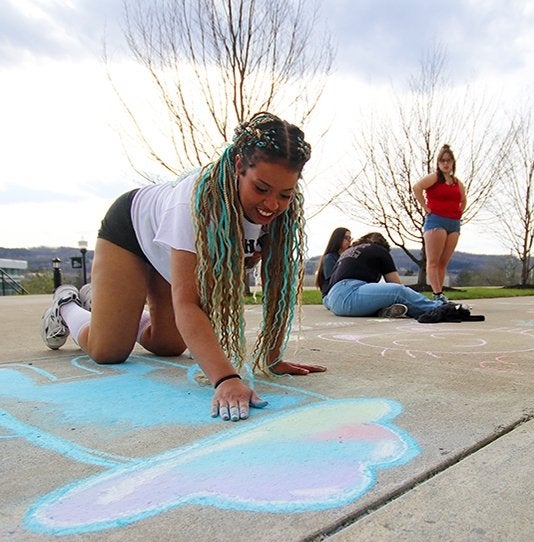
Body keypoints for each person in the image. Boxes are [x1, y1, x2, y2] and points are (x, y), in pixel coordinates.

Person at [40, 112, 326, 422]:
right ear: (239, 166)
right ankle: (66, 304)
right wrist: (226, 379)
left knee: (168, 345)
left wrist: (272, 357)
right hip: (131, 234)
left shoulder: (282, 215)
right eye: (261, 189)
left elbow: (277, 284)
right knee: (108, 351)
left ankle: (111, 303)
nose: (272, 204)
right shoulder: (195, 203)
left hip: (169, 254)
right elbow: (187, 302)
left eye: (285, 194)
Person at [323, 232, 465, 319]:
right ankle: (441, 307)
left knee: (381, 295)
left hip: (333, 299)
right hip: (349, 294)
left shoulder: (349, 252)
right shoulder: (378, 250)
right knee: (398, 292)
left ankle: (383, 310)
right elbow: (397, 286)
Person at [413, 144, 466, 302]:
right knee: (433, 261)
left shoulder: (457, 182)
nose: (445, 164)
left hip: (454, 223)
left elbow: (463, 200)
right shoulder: (435, 178)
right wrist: (425, 207)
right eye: (442, 161)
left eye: (448, 161)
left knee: (443, 262)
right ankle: (437, 293)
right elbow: (417, 187)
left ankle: (439, 293)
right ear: (438, 163)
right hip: (436, 220)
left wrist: (459, 212)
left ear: (452, 163)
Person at [315, 227, 352, 296]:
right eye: (347, 237)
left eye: (350, 238)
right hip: (332, 295)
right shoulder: (330, 258)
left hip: (344, 291)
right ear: (338, 239)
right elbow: (333, 280)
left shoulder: (349, 256)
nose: (349, 240)